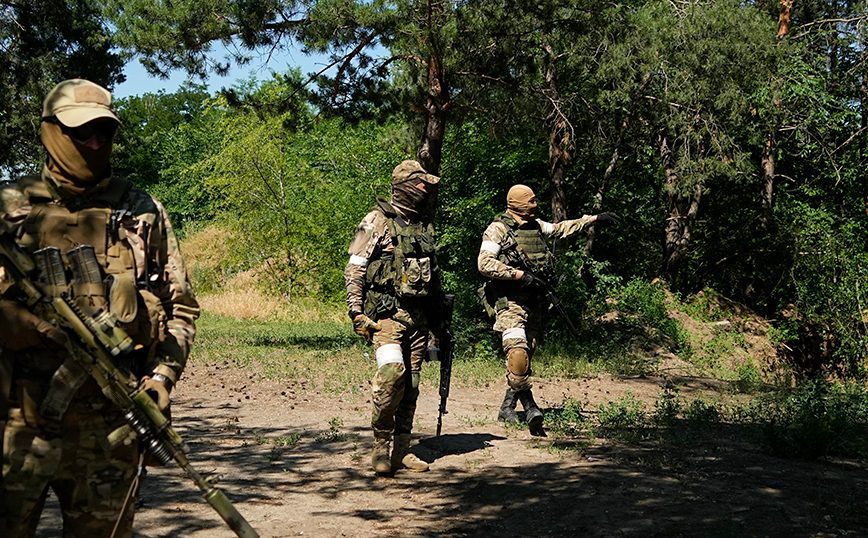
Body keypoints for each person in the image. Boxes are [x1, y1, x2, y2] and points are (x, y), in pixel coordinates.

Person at [0, 79, 200, 537]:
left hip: (110, 426)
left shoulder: (141, 210)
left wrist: (161, 378)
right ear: (50, 132)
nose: (94, 142)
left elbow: (181, 308)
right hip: (15, 422)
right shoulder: (8, 208)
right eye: (81, 132)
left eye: (104, 133)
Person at [477, 184, 619, 435]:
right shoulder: (498, 229)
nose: (534, 204)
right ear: (519, 203)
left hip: (535, 302)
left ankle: (507, 408)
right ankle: (531, 407)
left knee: (525, 355)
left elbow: (562, 228)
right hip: (509, 302)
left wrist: (593, 219)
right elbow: (485, 263)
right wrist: (518, 274)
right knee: (517, 353)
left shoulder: (536, 226)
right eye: (530, 201)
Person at [344, 159, 443, 474]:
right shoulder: (374, 220)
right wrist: (356, 312)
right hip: (385, 315)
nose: (426, 189)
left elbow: (433, 277)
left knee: (411, 385)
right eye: (421, 183)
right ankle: (380, 447)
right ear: (405, 186)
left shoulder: (422, 225)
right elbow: (355, 267)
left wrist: (439, 321)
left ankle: (402, 449)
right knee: (392, 375)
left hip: (419, 319)